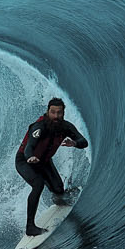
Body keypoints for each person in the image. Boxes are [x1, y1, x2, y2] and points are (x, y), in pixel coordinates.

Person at [15, 96, 88, 237]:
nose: (56, 116)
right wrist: (30, 157)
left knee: (59, 191)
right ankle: (30, 227)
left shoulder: (65, 127)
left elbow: (83, 141)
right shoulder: (39, 127)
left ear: (63, 113)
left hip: (44, 161)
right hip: (25, 160)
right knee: (38, 184)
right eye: (53, 112)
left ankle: (57, 196)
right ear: (48, 111)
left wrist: (75, 143)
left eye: (59, 113)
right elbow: (29, 147)